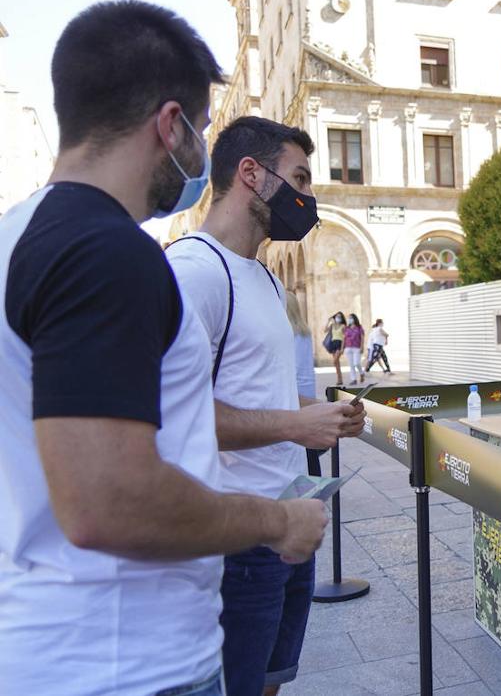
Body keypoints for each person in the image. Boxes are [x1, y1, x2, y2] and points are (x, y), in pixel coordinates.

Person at [0, 0, 327, 696]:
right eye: (202, 132)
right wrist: (278, 520)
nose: (199, 158)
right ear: (170, 123)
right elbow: (107, 502)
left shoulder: (16, 237)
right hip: (127, 664)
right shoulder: (107, 253)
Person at [166, 116, 367, 696]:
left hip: (289, 522)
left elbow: (262, 393)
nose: (308, 198)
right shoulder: (192, 274)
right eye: (300, 179)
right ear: (250, 174)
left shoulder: (265, 280)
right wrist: (297, 422)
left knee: (271, 682)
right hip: (235, 540)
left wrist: (320, 414)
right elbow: (181, 417)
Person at [286, 294, 324, 475]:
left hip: (294, 398)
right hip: (306, 393)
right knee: (310, 454)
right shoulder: (304, 332)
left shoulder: (287, 333)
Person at [324, 311, 346, 385]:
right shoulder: (332, 325)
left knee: (335, 361)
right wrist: (328, 321)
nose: (338, 318)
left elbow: (344, 338)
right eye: (337, 316)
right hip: (333, 343)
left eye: (339, 317)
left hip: (339, 344)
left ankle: (340, 378)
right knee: (337, 363)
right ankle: (339, 379)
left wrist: (342, 348)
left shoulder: (343, 326)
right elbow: (325, 330)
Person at [343, 313, 365, 384]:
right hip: (348, 348)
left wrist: (362, 347)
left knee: (357, 363)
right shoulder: (347, 328)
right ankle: (354, 379)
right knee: (351, 365)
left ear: (354, 319)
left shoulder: (359, 327)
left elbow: (362, 337)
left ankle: (361, 373)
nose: (349, 319)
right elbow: (344, 338)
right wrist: (342, 348)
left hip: (357, 348)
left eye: (351, 318)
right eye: (349, 318)